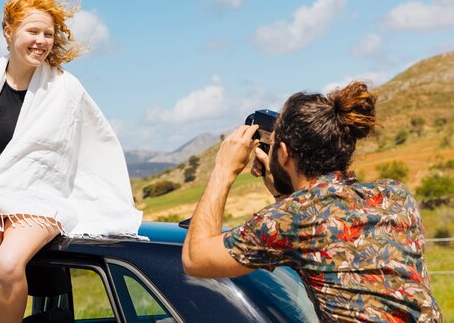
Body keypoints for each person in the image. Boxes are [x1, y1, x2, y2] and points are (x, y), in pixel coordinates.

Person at [0, 0, 142, 323]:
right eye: (32, 31)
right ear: (8, 31)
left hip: (39, 196)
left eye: (48, 34)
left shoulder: (64, 87)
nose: (41, 41)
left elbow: (76, 149)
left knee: (8, 264)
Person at [182, 82, 443, 322]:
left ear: (284, 154)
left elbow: (196, 259)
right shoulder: (396, 195)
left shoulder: (292, 218)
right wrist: (283, 196)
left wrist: (223, 170)